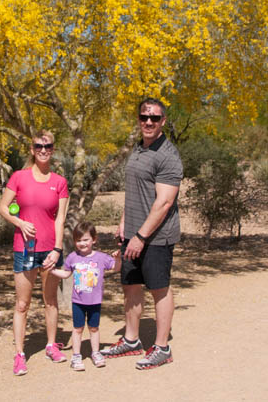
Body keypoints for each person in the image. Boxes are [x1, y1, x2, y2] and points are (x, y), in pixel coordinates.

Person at [101, 97, 182, 369]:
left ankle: (162, 347)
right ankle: (131, 340)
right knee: (131, 285)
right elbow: (135, 190)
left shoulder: (168, 155)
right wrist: (125, 223)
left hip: (156, 236)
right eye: (144, 117)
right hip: (133, 233)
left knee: (159, 288)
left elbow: (164, 202)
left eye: (154, 118)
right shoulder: (138, 148)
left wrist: (141, 237)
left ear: (163, 121)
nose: (148, 122)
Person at [0, 130, 70, 376]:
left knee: (51, 301)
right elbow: (3, 207)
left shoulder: (59, 182)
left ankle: (51, 345)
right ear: (32, 149)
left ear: (53, 149)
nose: (43, 150)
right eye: (39, 146)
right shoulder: (19, 177)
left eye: (47, 146)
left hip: (50, 250)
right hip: (24, 248)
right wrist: (19, 223)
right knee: (22, 304)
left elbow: (60, 219)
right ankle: (20, 354)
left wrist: (57, 249)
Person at [49, 221, 122, 371]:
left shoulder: (101, 258)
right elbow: (66, 274)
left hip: (95, 302)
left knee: (94, 328)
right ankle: (76, 356)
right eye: (78, 240)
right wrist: (52, 270)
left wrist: (118, 258)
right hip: (78, 302)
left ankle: (96, 353)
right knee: (78, 329)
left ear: (94, 239)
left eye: (85, 240)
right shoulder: (72, 257)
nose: (82, 243)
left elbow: (116, 268)